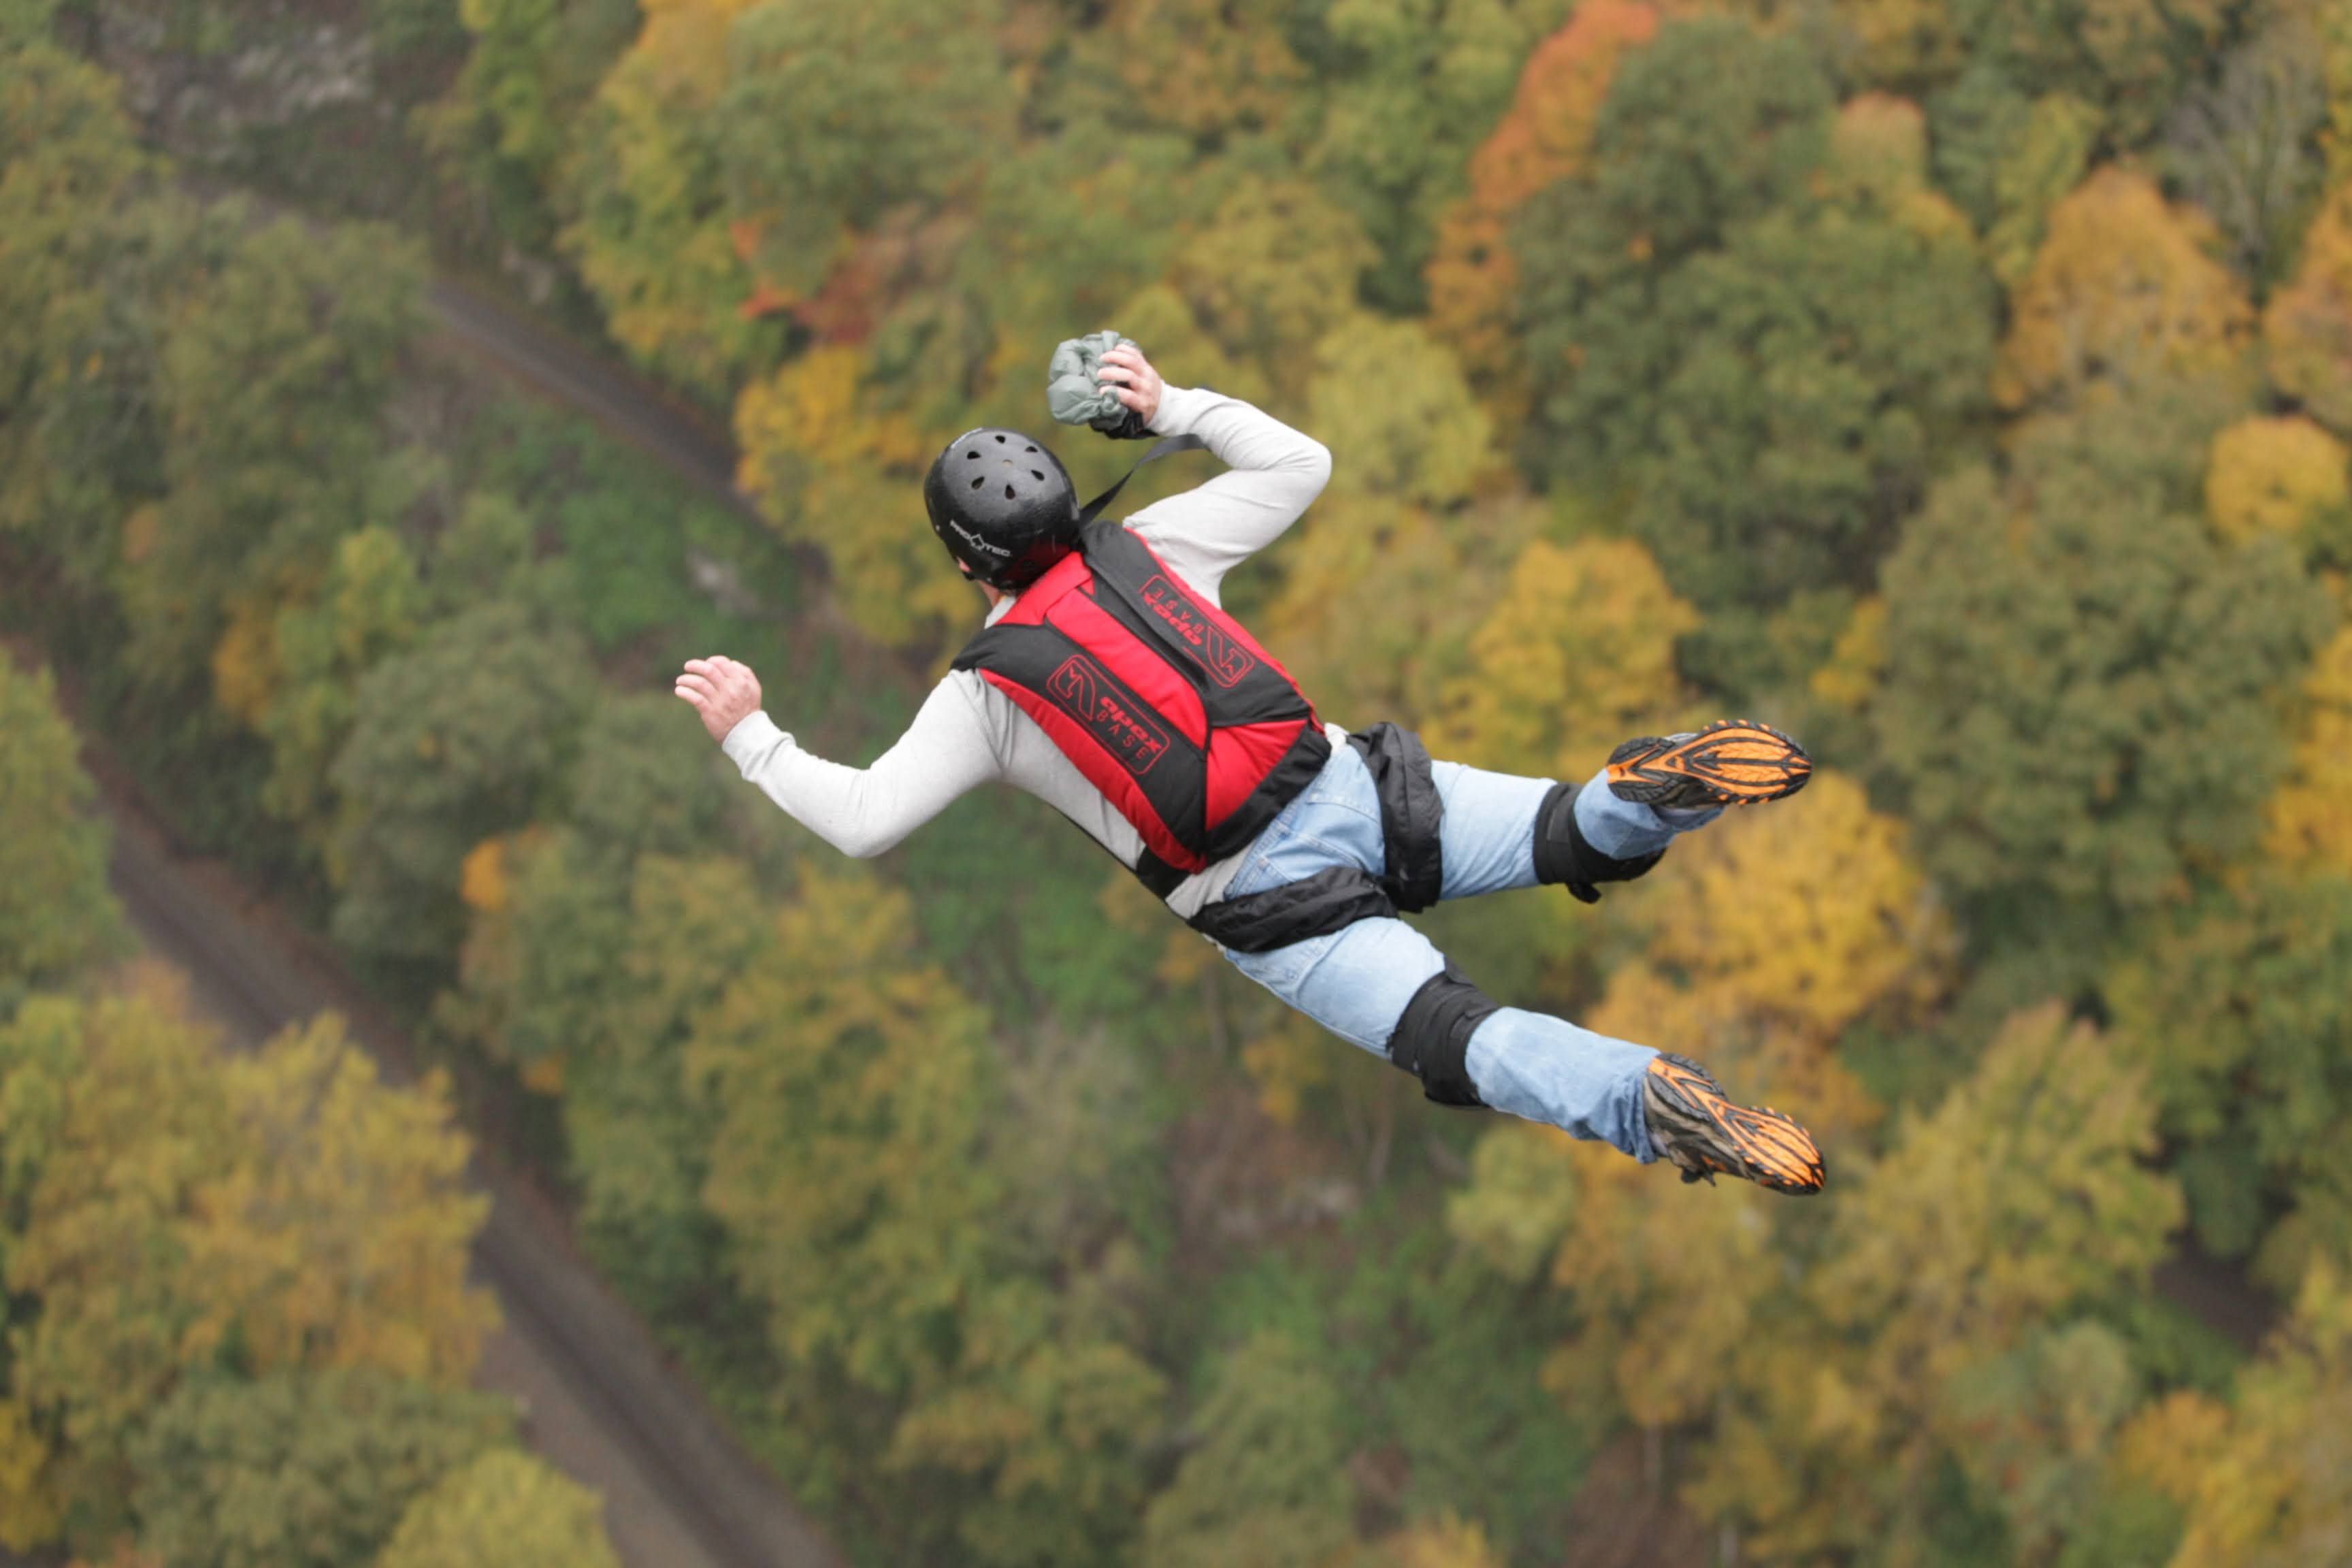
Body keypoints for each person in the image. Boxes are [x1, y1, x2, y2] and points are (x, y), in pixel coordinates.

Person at [674, 341, 1825, 1194]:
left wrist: (752, 735)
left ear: (963, 560)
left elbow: (866, 818)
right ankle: (1642, 791)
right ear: (1068, 505)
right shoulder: (1155, 547)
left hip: (1272, 905)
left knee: (1456, 1034)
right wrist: (1169, 405)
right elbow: (1301, 463)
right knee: (1569, 831)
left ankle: (1649, 1102)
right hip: (1354, 784)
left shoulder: (986, 695)